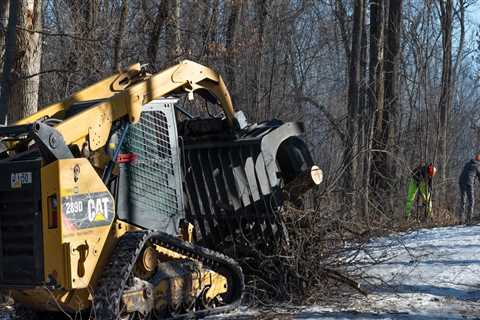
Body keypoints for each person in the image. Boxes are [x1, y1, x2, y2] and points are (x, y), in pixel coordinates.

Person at [459, 154, 480, 224]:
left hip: (461, 182)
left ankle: (461, 220)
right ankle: (469, 219)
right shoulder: (477, 166)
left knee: (463, 200)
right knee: (471, 201)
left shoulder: (467, 163)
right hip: (469, 183)